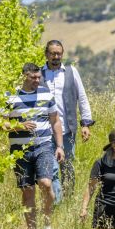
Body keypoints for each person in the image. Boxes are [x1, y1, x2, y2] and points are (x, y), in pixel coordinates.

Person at [1, 62, 64, 229]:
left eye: (39, 77)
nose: (37, 80)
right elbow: (0, 123)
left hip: (43, 146)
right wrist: (19, 126)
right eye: (33, 77)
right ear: (24, 76)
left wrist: (59, 146)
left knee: (45, 183)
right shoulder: (10, 96)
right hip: (19, 151)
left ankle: (47, 225)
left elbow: (55, 121)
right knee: (27, 191)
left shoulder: (46, 94)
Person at [42, 40, 95, 201]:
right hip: (45, 131)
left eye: (59, 53)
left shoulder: (71, 71)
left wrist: (85, 123)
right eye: (52, 53)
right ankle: (56, 202)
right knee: (51, 169)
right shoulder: (39, 73)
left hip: (67, 129)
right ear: (46, 54)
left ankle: (69, 199)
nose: (56, 56)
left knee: (67, 167)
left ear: (62, 54)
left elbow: (82, 97)